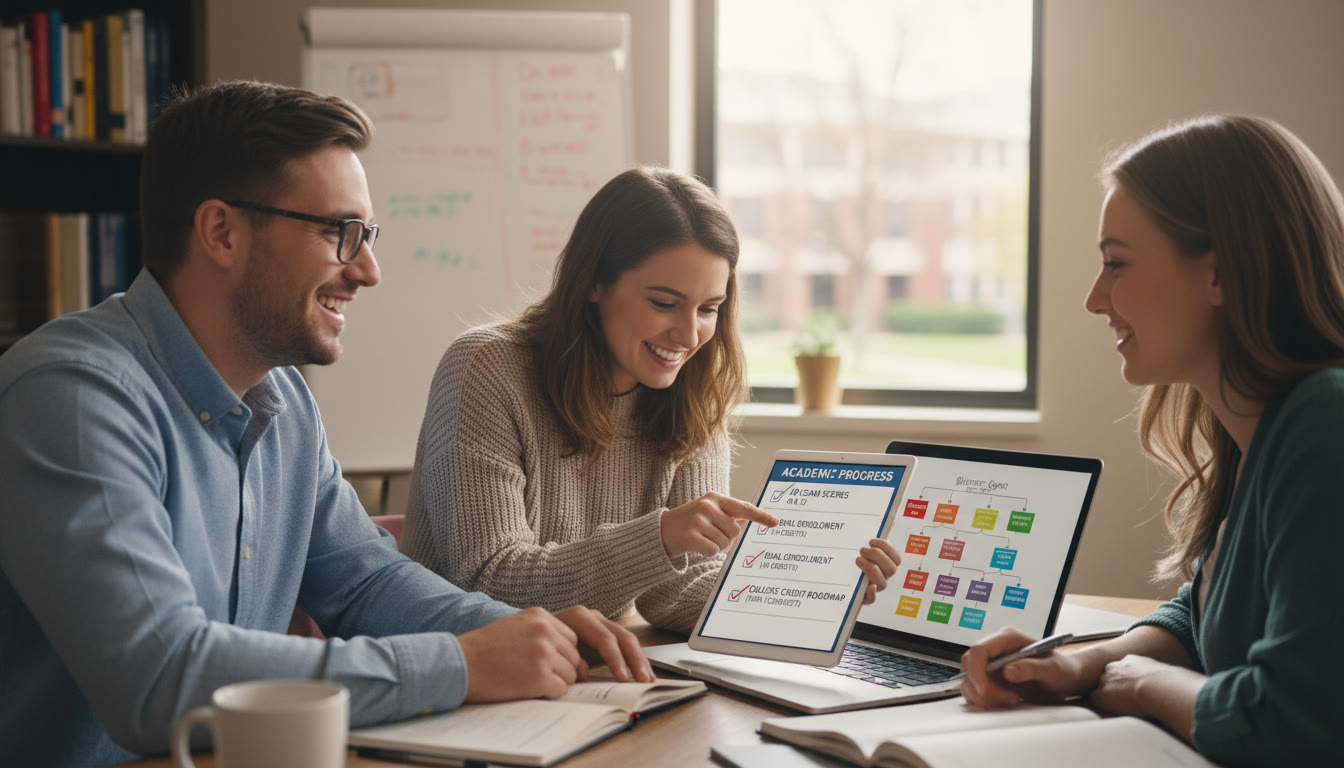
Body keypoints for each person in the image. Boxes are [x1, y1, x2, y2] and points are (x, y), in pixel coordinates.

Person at [0, 81, 650, 768]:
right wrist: (460, 663)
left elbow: (365, 581)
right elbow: (158, 677)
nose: (368, 270)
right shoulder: (71, 398)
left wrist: (531, 636)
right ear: (220, 231)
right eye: (340, 233)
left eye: (366, 236)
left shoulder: (282, 399)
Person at [959, 115, 1343, 765]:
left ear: (1220, 274)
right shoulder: (1262, 429)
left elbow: (1296, 722)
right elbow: (1203, 620)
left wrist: (1143, 685)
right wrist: (1081, 665)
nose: (1094, 298)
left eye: (1116, 264)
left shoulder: (1325, 422)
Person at [403, 166, 901, 633]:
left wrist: (823, 593)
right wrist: (659, 537)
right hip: (464, 669)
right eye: (664, 303)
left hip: (591, 668)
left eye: (709, 309)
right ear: (594, 282)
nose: (688, 334)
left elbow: (677, 589)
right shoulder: (486, 369)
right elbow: (488, 583)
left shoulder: (694, 390)